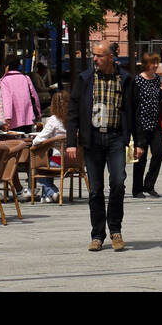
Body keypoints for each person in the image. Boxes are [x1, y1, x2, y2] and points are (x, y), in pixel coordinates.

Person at [66, 41, 138, 252]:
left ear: (111, 58)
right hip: (93, 140)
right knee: (96, 190)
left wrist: (140, 142)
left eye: (99, 56)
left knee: (118, 183)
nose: (95, 59)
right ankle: (97, 235)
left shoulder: (125, 79)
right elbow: (73, 112)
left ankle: (115, 230)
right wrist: (72, 142)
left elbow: (134, 112)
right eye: (93, 55)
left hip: (116, 138)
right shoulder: (85, 79)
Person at [132, 53, 162, 198]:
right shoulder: (138, 80)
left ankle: (149, 185)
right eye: (153, 63)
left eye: (157, 62)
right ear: (146, 64)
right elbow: (134, 102)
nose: (156, 65)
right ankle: (137, 189)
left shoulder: (156, 79)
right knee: (141, 157)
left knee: (159, 153)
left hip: (155, 123)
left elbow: (157, 97)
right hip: (141, 123)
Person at [32, 90, 69, 202]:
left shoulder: (54, 120)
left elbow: (39, 140)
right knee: (47, 162)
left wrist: (34, 142)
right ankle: (47, 196)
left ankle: (52, 191)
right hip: (75, 160)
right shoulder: (75, 118)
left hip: (58, 161)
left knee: (36, 166)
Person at [0, 55, 41, 134]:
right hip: (27, 119)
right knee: (26, 143)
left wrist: (8, 118)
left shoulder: (5, 81)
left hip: (12, 122)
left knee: (14, 144)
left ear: (7, 67)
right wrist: (38, 113)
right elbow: (35, 97)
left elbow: (7, 100)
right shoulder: (26, 78)